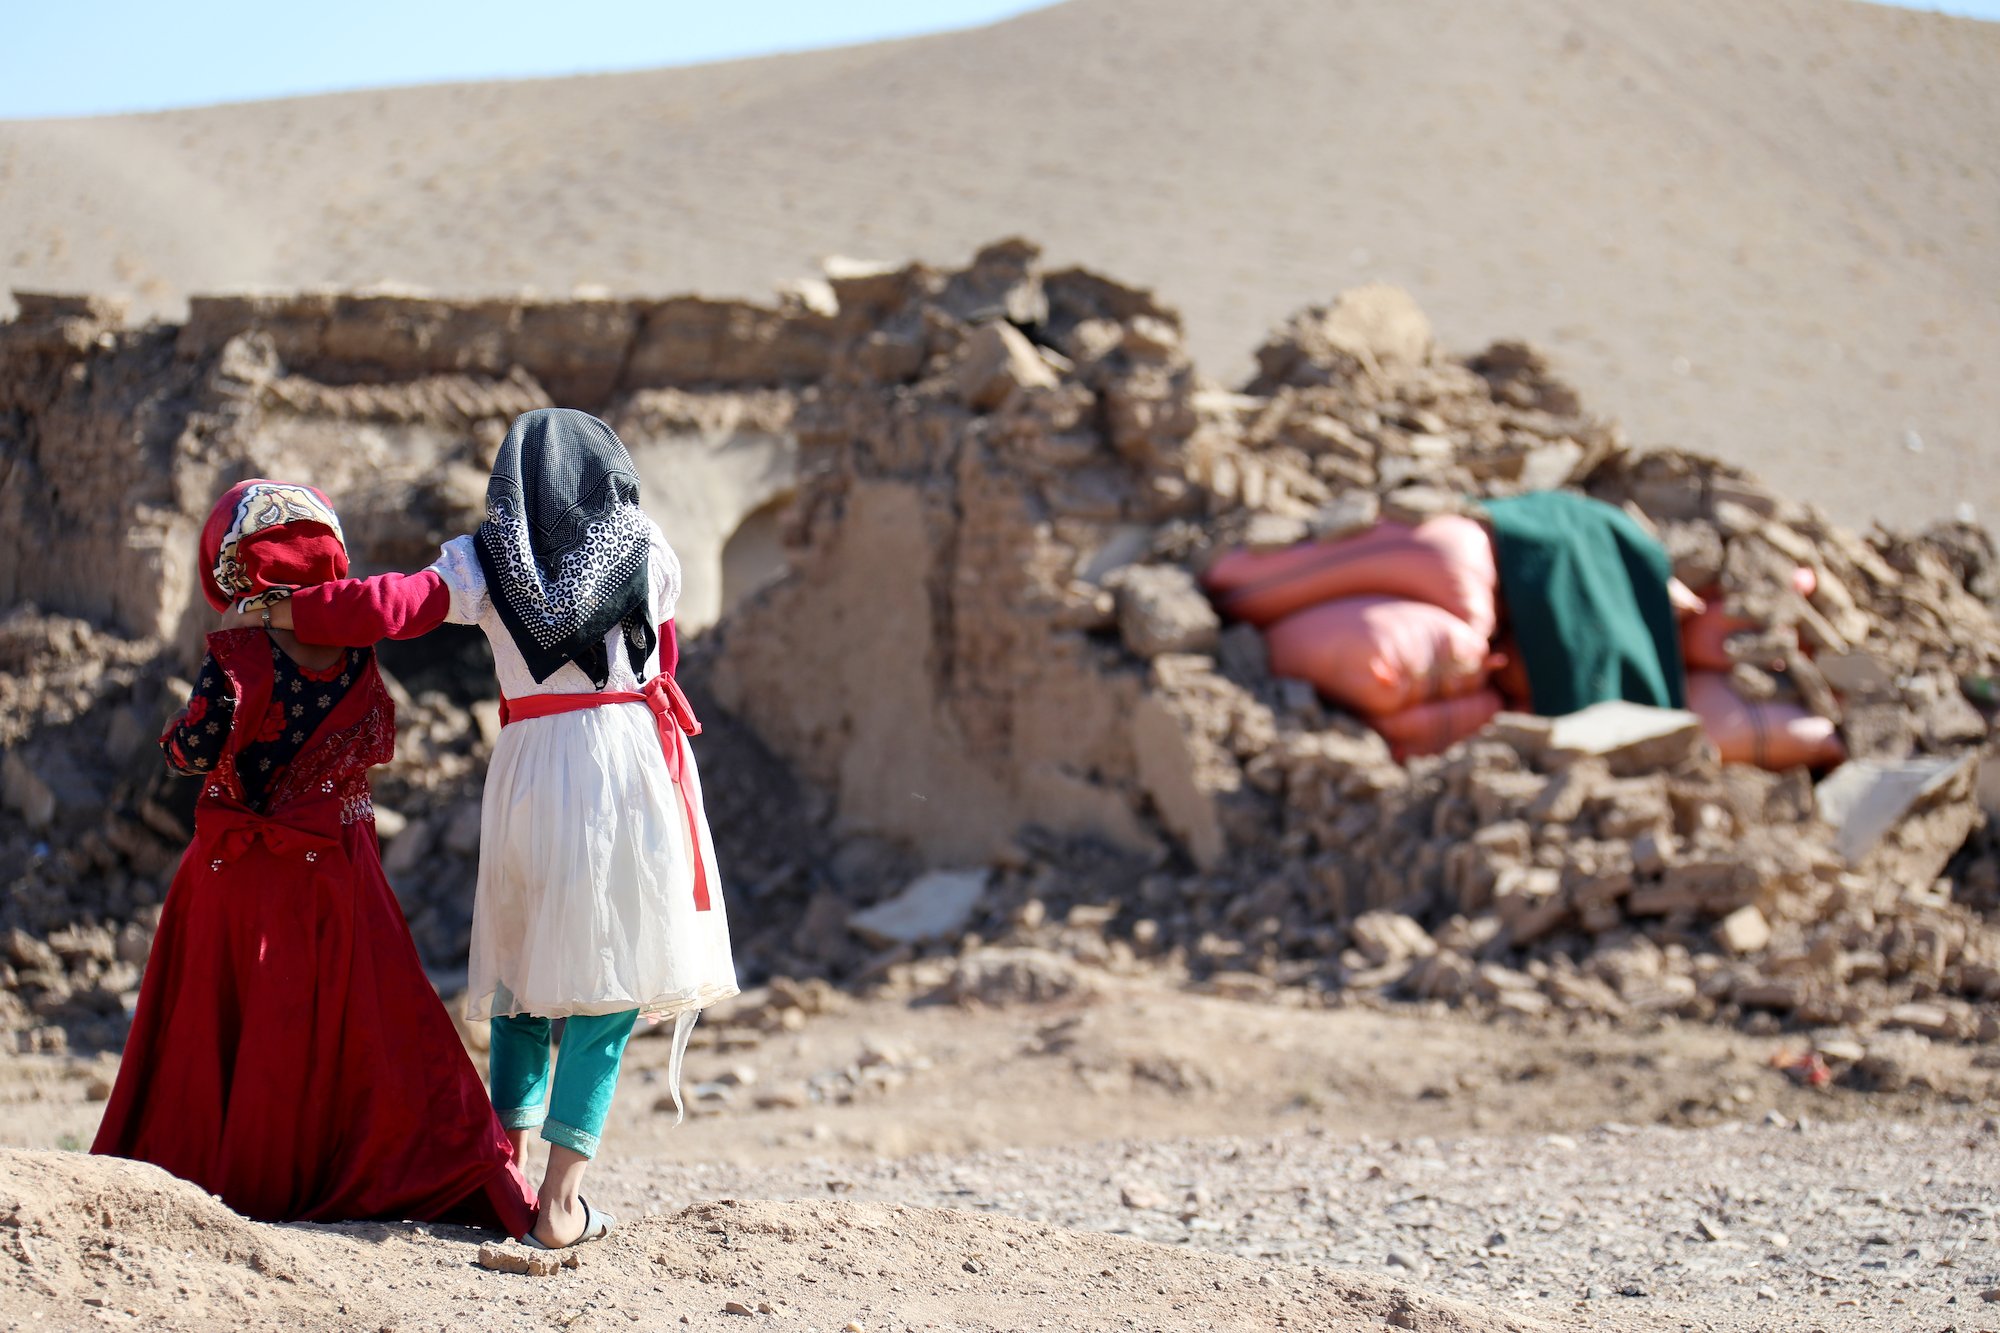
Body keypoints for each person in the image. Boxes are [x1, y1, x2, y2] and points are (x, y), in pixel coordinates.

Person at [251, 409, 738, 1250]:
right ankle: (559, 1204)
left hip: (528, 767)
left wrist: (293, 612)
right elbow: (665, 654)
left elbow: (391, 607)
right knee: (609, 982)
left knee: (519, 972)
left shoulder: (481, 558)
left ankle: (504, 1181)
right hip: (625, 764)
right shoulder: (648, 550)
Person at [92, 480, 536, 1236]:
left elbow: (193, 747)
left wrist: (176, 733)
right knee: (354, 1020)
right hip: (338, 866)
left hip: (241, 874)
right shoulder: (353, 649)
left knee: (238, 1023)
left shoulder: (241, 654)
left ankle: (235, 1177)